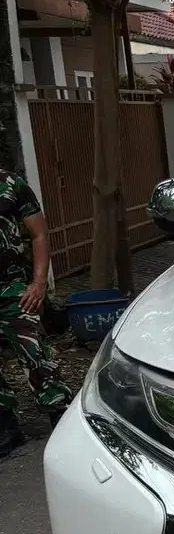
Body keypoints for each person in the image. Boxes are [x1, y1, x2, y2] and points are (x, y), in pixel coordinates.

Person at [0, 169, 71, 458]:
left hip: (12, 288)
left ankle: (61, 418)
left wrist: (39, 282)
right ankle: (7, 428)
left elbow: (39, 234)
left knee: (35, 353)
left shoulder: (11, 184)